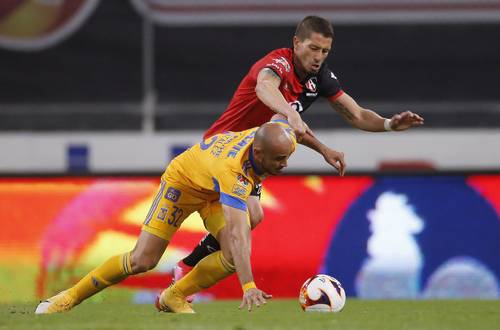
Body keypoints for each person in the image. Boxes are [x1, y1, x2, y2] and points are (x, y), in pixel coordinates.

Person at [173, 15, 424, 302]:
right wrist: (291, 113)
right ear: (296, 43)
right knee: (247, 217)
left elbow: (356, 114)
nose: (318, 57)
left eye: (325, 51)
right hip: (222, 149)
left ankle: (185, 268)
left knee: (253, 217)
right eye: (313, 48)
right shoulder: (277, 63)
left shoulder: (320, 78)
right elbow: (264, 88)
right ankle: (185, 270)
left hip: (252, 157)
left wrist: (390, 124)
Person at [35, 117, 298, 314]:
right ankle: (69, 297)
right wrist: (249, 285)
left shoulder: (269, 138)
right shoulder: (233, 172)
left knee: (233, 252)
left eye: (287, 157)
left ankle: (174, 296)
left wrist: (324, 150)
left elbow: (287, 124)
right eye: (279, 159)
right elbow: (239, 234)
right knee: (142, 260)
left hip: (211, 189)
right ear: (259, 153)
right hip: (181, 185)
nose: (284, 165)